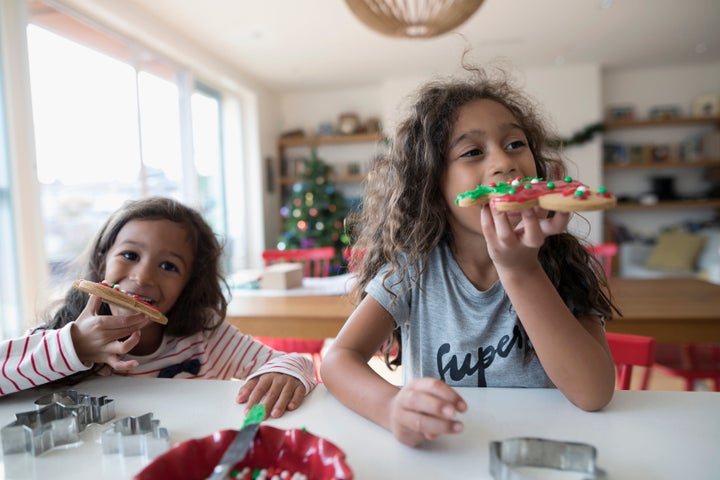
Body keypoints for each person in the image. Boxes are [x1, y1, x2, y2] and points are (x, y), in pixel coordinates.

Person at [320, 66, 619, 447]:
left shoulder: (564, 262)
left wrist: (521, 271)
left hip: (541, 452)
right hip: (445, 454)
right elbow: (338, 359)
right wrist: (391, 407)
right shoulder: (415, 271)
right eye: (473, 151)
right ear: (433, 185)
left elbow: (593, 393)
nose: (504, 163)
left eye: (515, 144)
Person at [0, 197, 316, 418]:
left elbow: (292, 362)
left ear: (189, 285)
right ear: (102, 262)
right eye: (130, 255)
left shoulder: (203, 338)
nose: (143, 276)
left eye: (168, 266)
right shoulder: (59, 336)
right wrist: (75, 346)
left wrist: (285, 374)